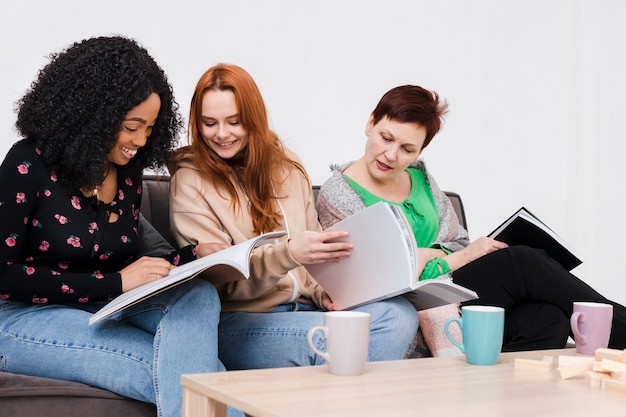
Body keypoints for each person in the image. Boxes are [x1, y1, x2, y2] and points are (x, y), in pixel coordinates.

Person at [0, 36, 243, 417]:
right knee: (187, 375)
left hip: (103, 304)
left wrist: (195, 256)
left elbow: (126, 265)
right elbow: (4, 273)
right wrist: (114, 284)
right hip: (22, 317)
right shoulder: (28, 163)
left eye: (149, 128)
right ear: (95, 114)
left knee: (198, 296)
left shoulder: (126, 174)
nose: (141, 141)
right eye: (133, 126)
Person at [317, 84, 626, 352]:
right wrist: (452, 257)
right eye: (386, 138)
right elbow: (370, 276)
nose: (391, 155)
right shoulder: (339, 193)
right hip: (416, 306)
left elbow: (457, 241)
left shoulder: (421, 179)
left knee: (546, 319)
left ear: (420, 151)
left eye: (407, 149)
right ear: (371, 123)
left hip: (452, 292)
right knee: (521, 263)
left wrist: (427, 257)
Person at [169, 63, 418, 370]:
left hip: (303, 310)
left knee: (398, 316)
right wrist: (286, 254)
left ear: (253, 118)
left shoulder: (287, 166)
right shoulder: (190, 181)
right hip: (239, 320)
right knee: (331, 341)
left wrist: (322, 293)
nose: (222, 134)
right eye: (210, 123)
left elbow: (313, 252)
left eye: (234, 121)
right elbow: (219, 283)